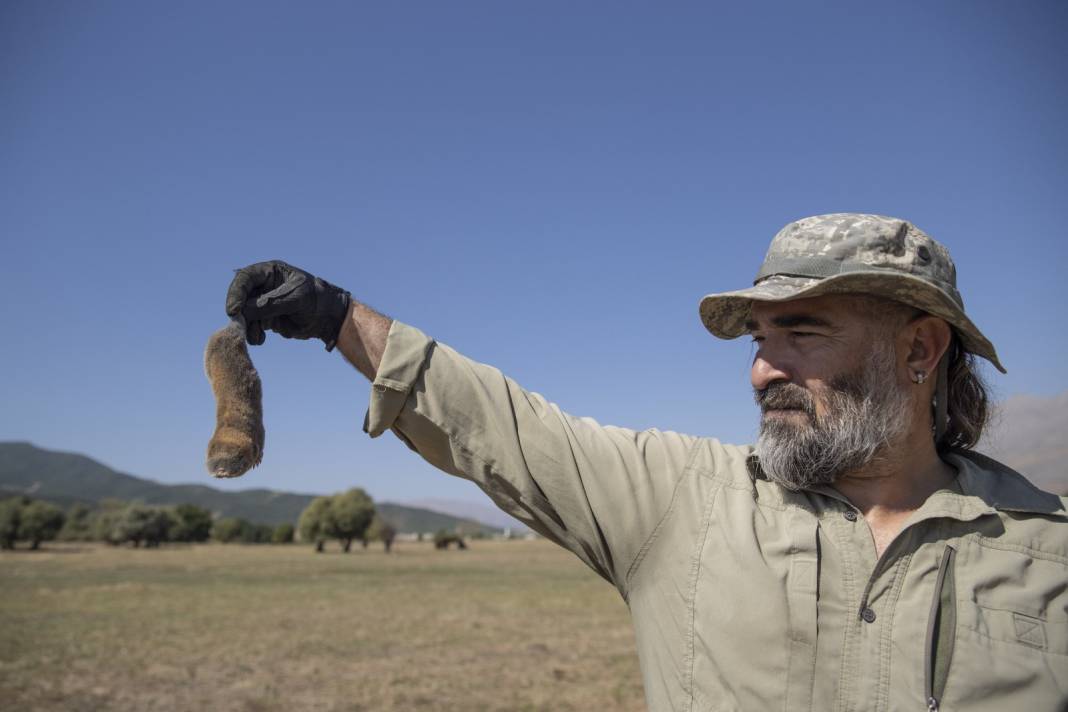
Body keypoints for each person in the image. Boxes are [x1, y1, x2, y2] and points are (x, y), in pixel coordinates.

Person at [225, 213, 1067, 711]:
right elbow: (507, 429)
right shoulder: (684, 503)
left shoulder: (1048, 555)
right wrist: (337, 316)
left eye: (801, 333)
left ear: (920, 349)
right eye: (757, 340)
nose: (762, 368)